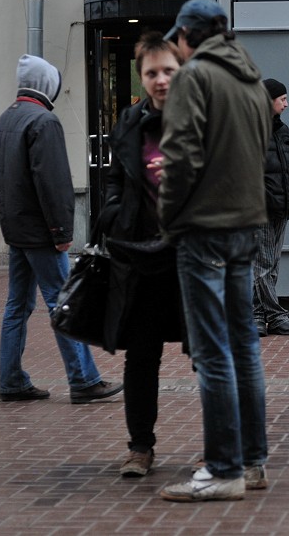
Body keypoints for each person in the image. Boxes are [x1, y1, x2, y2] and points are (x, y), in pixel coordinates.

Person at [156, 0, 271, 502]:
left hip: (204, 227)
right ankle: (252, 462)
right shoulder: (250, 79)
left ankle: (222, 469)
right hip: (247, 225)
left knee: (213, 350)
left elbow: (180, 153)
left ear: (187, 35)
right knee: (244, 346)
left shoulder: (194, 76)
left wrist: (168, 214)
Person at [0, 54, 123, 404]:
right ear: (47, 85)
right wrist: (62, 232)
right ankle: (84, 379)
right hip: (42, 233)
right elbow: (53, 183)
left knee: (17, 305)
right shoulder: (44, 122)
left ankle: (12, 379)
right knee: (65, 302)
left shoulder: (3, 122)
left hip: (16, 229)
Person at [99, 32, 187, 477]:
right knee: (141, 355)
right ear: (141, 77)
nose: (160, 80)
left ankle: (222, 449)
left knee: (208, 354)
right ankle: (140, 447)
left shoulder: (199, 120)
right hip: (142, 256)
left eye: (168, 70)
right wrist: (117, 216)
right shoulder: (130, 124)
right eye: (151, 72)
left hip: (192, 257)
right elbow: (114, 181)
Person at [253, 78, 289, 337]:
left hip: (281, 207)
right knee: (261, 265)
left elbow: (286, 169)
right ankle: (276, 315)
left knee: (271, 265)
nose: (286, 104)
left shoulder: (282, 130)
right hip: (259, 207)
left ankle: (256, 316)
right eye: (282, 99)